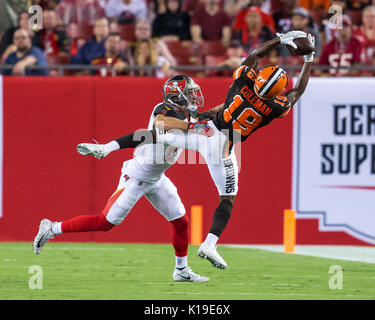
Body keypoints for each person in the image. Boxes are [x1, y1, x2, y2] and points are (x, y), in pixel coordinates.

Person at [74, 30, 314, 270]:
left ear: (258, 77)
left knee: (158, 136)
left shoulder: (243, 80)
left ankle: (108, 147)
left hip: (206, 131)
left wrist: (280, 40)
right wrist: (308, 60)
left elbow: (253, 55)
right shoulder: (275, 106)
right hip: (222, 146)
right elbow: (298, 91)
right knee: (227, 198)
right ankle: (210, 243)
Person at [33, 76, 209, 283]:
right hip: (137, 176)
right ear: (175, 97)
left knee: (181, 222)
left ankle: (181, 270)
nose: (193, 96)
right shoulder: (162, 111)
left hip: (157, 177)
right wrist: (107, 148)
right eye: (188, 92)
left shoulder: (188, 115)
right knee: (104, 222)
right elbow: (158, 125)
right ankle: (51, 228)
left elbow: (210, 117)